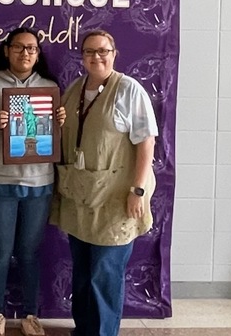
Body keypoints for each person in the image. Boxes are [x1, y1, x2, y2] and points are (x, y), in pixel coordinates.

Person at [50, 30, 157, 336]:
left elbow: (146, 143)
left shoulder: (130, 90)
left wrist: (137, 191)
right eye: (89, 52)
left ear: (114, 53)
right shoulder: (73, 90)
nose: (96, 57)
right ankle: (83, 330)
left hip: (115, 199)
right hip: (80, 197)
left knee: (104, 274)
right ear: (81, 56)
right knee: (83, 274)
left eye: (103, 51)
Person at [0, 28, 65, 336]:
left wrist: (61, 124)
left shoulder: (50, 88)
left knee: (29, 253)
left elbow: (58, 142)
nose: (26, 53)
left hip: (39, 182)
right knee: (0, 251)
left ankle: (30, 314)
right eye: (20, 47)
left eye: (32, 49)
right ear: (7, 50)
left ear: (38, 54)